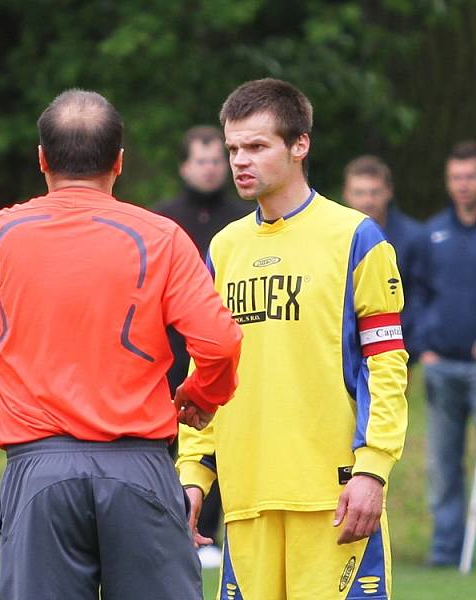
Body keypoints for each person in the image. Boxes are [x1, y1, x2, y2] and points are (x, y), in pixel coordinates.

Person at [0, 89, 242, 600]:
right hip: (139, 466)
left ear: (42, 159)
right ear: (119, 162)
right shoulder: (161, 236)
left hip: (40, 468)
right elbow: (218, 341)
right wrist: (202, 396)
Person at [177, 78, 408, 599]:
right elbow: (206, 371)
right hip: (246, 503)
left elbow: (385, 365)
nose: (240, 160)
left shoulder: (356, 237)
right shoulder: (224, 247)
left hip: (334, 501)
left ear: (299, 144)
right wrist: (193, 473)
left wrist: (372, 469)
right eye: (234, 147)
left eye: (257, 146)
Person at [153, 125, 251, 568]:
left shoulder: (243, 220)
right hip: (169, 352)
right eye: (203, 161)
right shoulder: (164, 220)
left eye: (217, 161)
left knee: (217, 436)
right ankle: (159, 529)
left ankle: (206, 531)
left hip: (219, 351)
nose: (212, 169)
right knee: (163, 445)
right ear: (184, 166)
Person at [414, 140, 476, 568]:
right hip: (441, 366)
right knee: (442, 465)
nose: (464, 185)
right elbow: (414, 296)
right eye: (456, 177)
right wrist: (424, 346)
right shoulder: (431, 234)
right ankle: (445, 551)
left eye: (471, 176)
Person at [342, 155, 424, 362]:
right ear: (346, 194)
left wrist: (412, 346)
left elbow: (419, 295)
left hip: (397, 345)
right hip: (345, 347)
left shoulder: (413, 237)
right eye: (359, 193)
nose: (367, 200)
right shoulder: (332, 238)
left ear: (388, 192)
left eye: (374, 192)